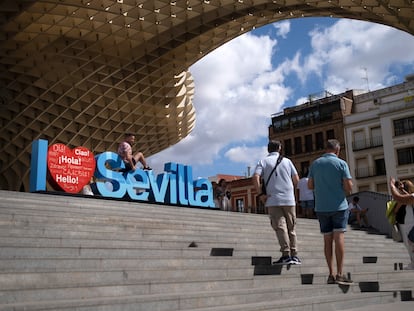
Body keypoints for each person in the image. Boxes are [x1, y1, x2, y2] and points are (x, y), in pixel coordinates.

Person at [308, 139, 353, 285]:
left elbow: (310, 185)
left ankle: (331, 274)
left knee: (327, 240)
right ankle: (340, 273)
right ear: (337, 150)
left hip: (321, 207)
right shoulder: (341, 163)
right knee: (339, 237)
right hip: (339, 206)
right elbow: (349, 188)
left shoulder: (315, 164)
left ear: (325, 149)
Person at [253, 140, 301, 265]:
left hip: (272, 199)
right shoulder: (287, 161)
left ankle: (285, 255)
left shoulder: (263, 162)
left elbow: (255, 177)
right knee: (292, 227)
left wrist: (260, 194)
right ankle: (294, 255)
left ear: (268, 149)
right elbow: (297, 180)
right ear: (279, 148)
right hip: (289, 199)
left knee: (280, 227)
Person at [389, 177, 414, 270]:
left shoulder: (409, 197)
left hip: (409, 223)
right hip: (405, 222)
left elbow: (402, 199)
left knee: (410, 244)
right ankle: (412, 262)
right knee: (409, 244)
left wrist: (392, 186)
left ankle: (413, 263)